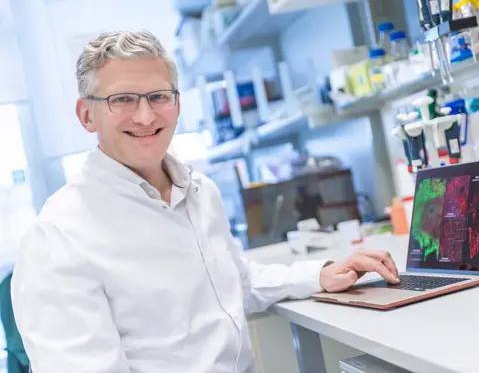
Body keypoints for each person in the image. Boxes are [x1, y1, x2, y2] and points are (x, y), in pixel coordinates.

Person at [11, 29, 400, 373]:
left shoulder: (199, 191)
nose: (145, 116)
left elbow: (233, 281)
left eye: (158, 96)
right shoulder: (59, 236)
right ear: (86, 115)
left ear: (177, 104)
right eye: (123, 100)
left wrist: (322, 274)